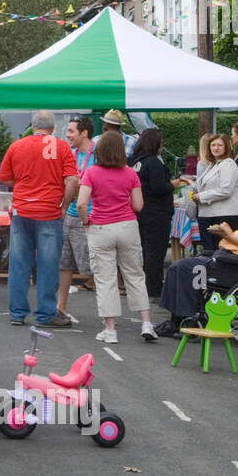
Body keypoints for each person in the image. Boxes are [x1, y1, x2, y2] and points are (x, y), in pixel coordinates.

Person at [155, 176, 238, 337]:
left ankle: (182, 320)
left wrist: (229, 236)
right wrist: (225, 235)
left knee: (183, 268)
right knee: (178, 267)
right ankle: (176, 320)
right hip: (231, 259)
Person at [0, 111, 78, 327]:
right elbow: (72, 180)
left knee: (19, 263)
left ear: (33, 127)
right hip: (49, 212)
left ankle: (17, 313)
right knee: (48, 264)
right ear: (53, 129)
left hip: (21, 210)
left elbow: (4, 177)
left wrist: (25, 184)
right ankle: (45, 314)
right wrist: (64, 204)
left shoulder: (17, 146)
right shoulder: (62, 147)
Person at [76, 131, 156, 344]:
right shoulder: (130, 173)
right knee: (135, 275)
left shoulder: (91, 173)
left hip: (101, 227)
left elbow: (81, 203)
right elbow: (138, 205)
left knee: (106, 279)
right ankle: (146, 323)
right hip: (127, 226)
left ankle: (110, 330)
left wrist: (86, 221)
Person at [56, 116, 96, 323]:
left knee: (93, 266)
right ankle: (60, 308)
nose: (67, 135)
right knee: (64, 264)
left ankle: (108, 313)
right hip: (68, 213)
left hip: (89, 216)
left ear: (84, 133)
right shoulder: (68, 153)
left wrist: (81, 185)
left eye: (71, 131)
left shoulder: (97, 154)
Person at [130, 128, 174, 299]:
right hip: (157, 213)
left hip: (140, 211)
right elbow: (159, 187)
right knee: (155, 252)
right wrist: (173, 184)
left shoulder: (134, 162)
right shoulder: (154, 162)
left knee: (144, 251)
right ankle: (154, 287)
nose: (162, 145)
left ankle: (144, 285)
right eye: (161, 142)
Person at [191, 133, 238, 252]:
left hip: (224, 215)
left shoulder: (229, 164)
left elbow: (226, 190)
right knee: (210, 252)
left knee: (221, 253)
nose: (216, 148)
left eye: (219, 145)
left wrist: (201, 196)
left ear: (226, 147)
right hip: (208, 214)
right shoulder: (212, 164)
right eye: (213, 145)